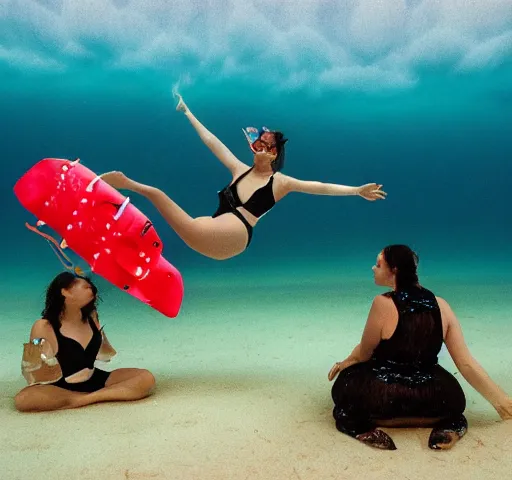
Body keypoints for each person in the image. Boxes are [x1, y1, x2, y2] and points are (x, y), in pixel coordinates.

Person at [99, 93, 387, 261]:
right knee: (155, 227)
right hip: (213, 233)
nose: (258, 147)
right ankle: (110, 221)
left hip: (234, 236)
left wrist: (356, 190)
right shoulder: (239, 170)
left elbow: (320, 187)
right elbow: (212, 141)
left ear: (273, 153)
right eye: (257, 143)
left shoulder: (280, 182)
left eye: (265, 145)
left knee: (157, 194)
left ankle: (126, 184)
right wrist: (187, 111)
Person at [328, 245, 512, 450]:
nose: (373, 268)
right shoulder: (441, 305)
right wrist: (502, 403)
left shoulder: (382, 303)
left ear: (394, 270)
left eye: (378, 264)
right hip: (435, 399)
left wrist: (346, 363)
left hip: (385, 398)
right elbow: (466, 363)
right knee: (452, 398)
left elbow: (364, 353)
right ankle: (450, 426)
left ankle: (363, 429)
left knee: (344, 384)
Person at [14, 271, 155, 412]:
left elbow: (104, 351)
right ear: (64, 292)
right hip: (59, 386)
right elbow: (32, 372)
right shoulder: (43, 326)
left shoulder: (92, 317)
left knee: (145, 377)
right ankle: (101, 395)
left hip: (93, 378)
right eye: (77, 283)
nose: (89, 286)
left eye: (88, 284)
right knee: (24, 399)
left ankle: (82, 399)